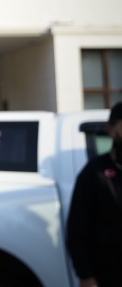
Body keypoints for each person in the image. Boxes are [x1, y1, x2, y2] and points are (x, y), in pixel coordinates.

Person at [66, 102, 122, 287]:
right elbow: (77, 227)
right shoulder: (95, 172)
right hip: (108, 273)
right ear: (111, 129)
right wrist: (86, 274)